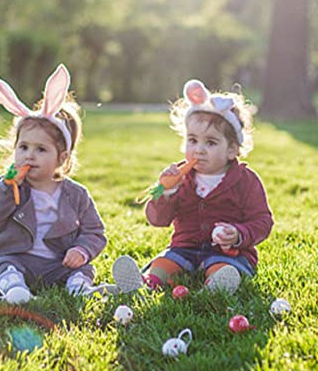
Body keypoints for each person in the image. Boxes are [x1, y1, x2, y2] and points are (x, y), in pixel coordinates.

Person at [112, 78, 273, 295]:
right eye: (192, 140)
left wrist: (237, 234)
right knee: (164, 263)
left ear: (232, 149)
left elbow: (263, 221)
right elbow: (158, 220)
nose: (199, 150)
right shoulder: (179, 176)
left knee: (223, 268)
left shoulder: (245, 180)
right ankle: (146, 283)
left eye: (211, 142)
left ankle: (216, 287)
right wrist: (166, 193)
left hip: (228, 253)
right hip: (184, 248)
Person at [0, 64, 108, 304]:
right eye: (23, 147)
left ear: (61, 158)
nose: (29, 156)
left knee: (84, 269)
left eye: (41, 149)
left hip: (57, 264)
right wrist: (6, 188)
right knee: (3, 264)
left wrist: (81, 250)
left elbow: (94, 231)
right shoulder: (11, 187)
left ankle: (78, 288)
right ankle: (14, 289)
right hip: (19, 258)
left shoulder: (77, 195)